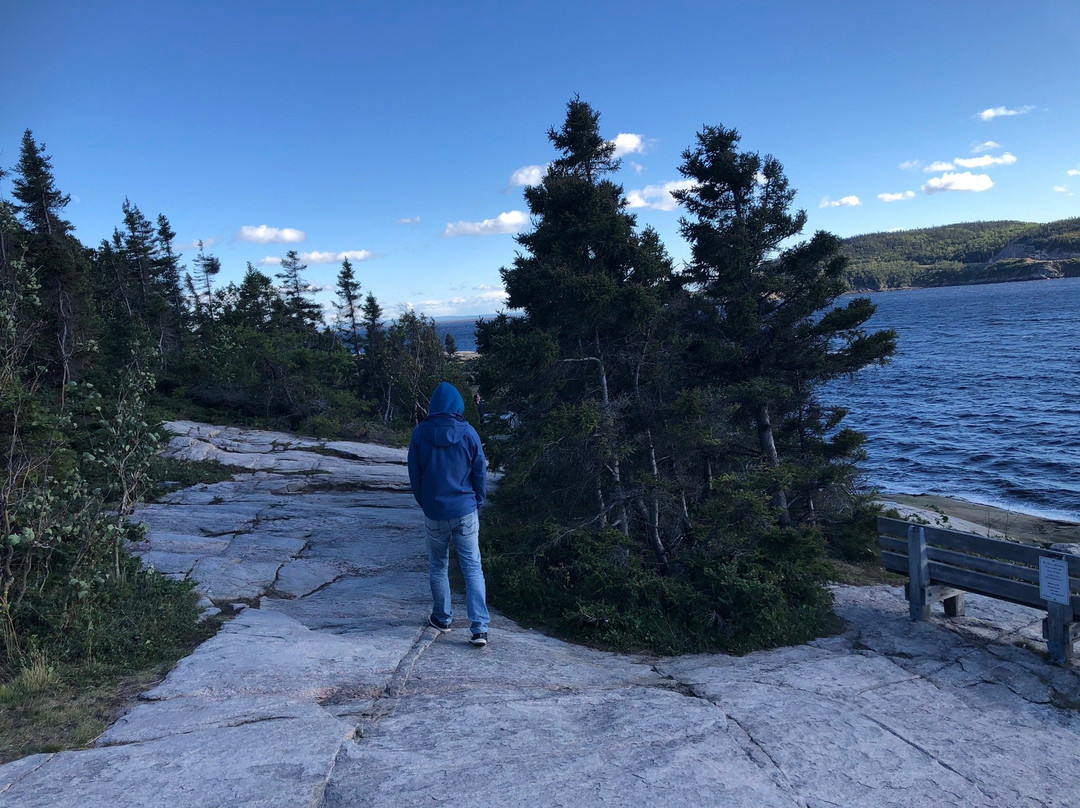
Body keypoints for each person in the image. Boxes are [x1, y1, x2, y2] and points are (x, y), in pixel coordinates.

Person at [407, 381, 490, 646]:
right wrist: (478, 500)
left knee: (438, 565)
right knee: (472, 567)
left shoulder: (420, 433)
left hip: (434, 511)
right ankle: (479, 629)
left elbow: (415, 475)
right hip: (465, 509)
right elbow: (480, 471)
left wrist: (425, 502)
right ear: (457, 405)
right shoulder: (469, 433)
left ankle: (442, 619)